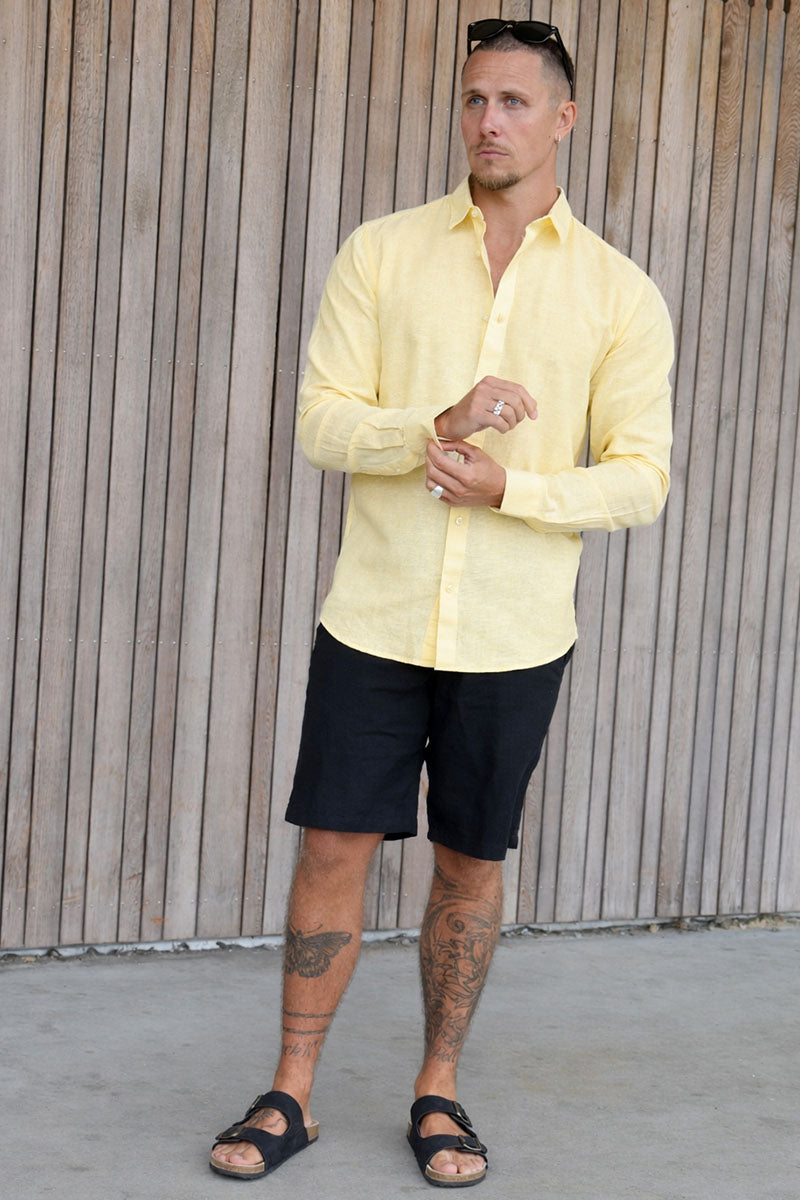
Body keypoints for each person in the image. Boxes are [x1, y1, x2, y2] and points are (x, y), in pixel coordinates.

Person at [209, 17, 673, 1189]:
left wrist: (513, 488)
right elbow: (320, 420)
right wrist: (435, 425)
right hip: (375, 613)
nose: (487, 120)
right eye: (473, 98)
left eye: (513, 101)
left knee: (468, 861)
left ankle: (436, 1090)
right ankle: (290, 1093)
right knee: (331, 846)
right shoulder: (381, 253)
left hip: (513, 633)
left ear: (562, 119)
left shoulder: (618, 293)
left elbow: (640, 479)